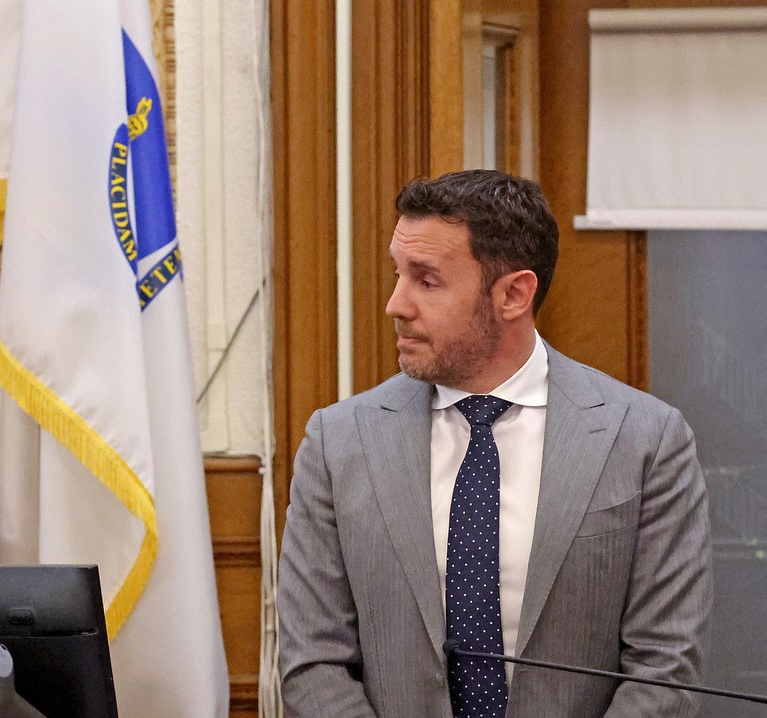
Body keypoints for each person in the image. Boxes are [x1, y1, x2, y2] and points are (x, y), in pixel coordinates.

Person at [277, 170, 711, 717]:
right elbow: (312, 661)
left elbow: (665, 667)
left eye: (426, 280)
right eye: (398, 274)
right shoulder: (338, 443)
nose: (395, 304)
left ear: (513, 294)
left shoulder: (646, 439)